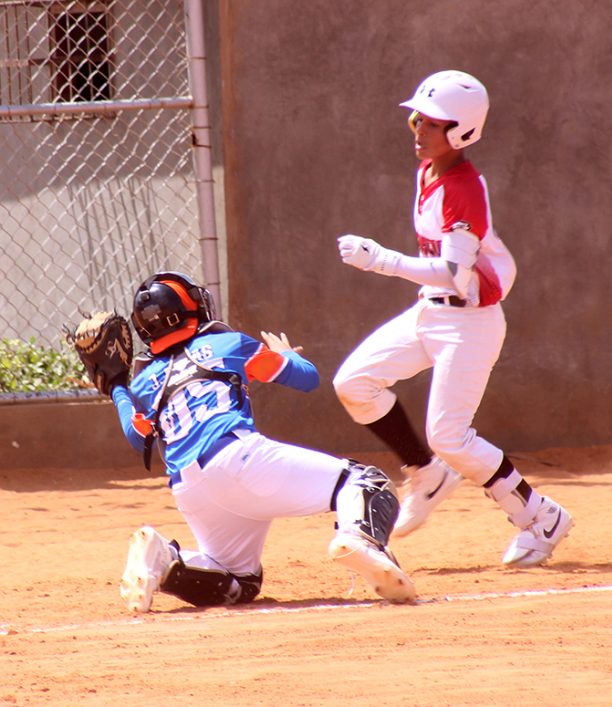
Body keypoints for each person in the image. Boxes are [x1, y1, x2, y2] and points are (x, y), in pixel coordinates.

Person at [333, 70, 573, 567]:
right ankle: (426, 473)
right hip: (430, 311)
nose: (419, 129)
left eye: (433, 123)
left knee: (450, 436)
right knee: (354, 383)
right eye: (417, 120)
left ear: (462, 132)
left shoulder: (463, 187)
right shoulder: (427, 172)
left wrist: (381, 260)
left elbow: (453, 272)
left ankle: (540, 516)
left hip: (471, 324)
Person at [110, 271, 415, 612]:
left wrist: (116, 387)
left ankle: (162, 557)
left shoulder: (144, 381)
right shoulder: (227, 344)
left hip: (189, 488)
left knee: (239, 583)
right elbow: (306, 378)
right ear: (190, 309)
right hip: (239, 457)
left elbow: (138, 439)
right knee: (366, 483)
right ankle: (359, 539)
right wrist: (286, 354)